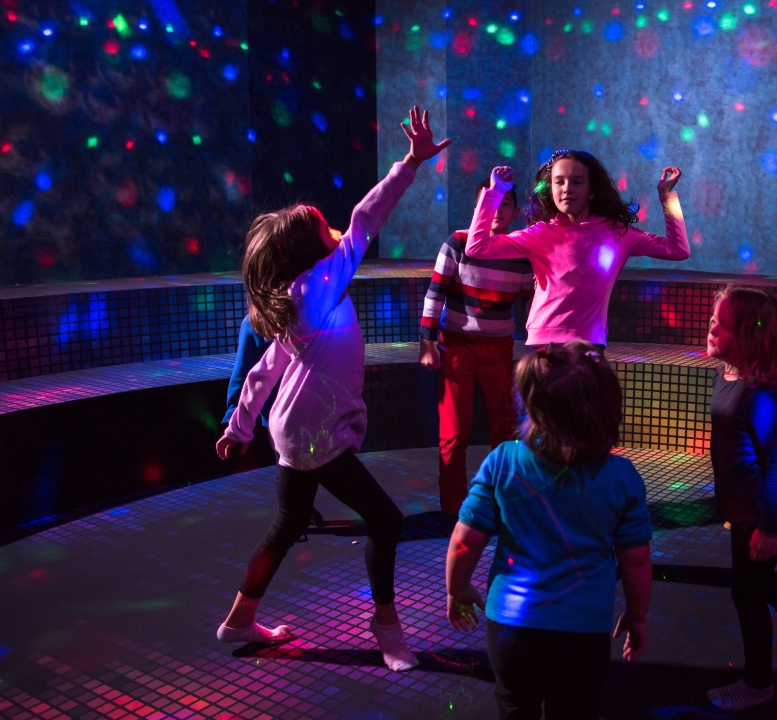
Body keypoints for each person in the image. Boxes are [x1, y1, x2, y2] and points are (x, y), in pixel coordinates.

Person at [214, 107, 450, 673]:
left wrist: (240, 426)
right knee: (388, 521)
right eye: (326, 227)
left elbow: (263, 368)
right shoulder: (320, 285)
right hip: (312, 433)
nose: (338, 227)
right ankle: (386, 627)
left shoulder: (306, 295)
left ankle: (239, 618)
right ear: (317, 253)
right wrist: (410, 163)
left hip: (292, 427)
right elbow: (368, 216)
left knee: (289, 522)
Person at [444, 341, 653, 720]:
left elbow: (463, 543)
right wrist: (637, 616)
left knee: (514, 707)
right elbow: (636, 560)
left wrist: (457, 589)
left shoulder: (502, 462)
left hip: (511, 628)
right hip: (584, 632)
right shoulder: (622, 478)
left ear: (530, 403)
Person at [705, 285, 777, 711]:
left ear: (752, 341)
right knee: (759, 580)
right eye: (715, 320)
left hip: (764, 512)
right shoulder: (727, 375)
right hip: (747, 509)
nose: (713, 328)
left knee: (747, 592)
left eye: (726, 326)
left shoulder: (758, 398)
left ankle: (758, 683)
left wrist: (769, 529)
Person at [464, 150, 688, 347]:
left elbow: (678, 249)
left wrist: (667, 196)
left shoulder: (618, 232)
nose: (567, 189)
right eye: (559, 182)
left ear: (592, 190)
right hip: (544, 345)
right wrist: (494, 194)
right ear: (550, 189)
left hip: (589, 345)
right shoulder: (539, 233)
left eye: (577, 182)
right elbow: (476, 248)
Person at [419, 179, 534, 516]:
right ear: (477, 209)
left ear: (515, 211)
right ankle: (452, 510)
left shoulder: (519, 251)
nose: (498, 209)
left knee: (505, 426)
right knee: (453, 434)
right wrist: (427, 345)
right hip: (457, 347)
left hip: (498, 349)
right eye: (490, 201)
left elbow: (530, 300)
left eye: (505, 203)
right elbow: (434, 294)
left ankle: (506, 502)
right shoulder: (458, 242)